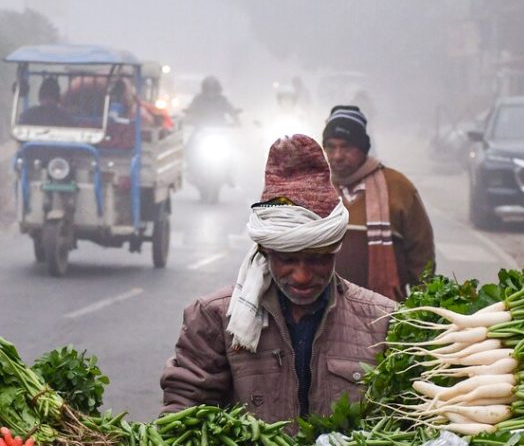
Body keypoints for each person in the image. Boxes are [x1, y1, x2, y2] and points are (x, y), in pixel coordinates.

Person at [161, 134, 395, 425]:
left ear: (335, 251)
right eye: (287, 260)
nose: (302, 276)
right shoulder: (215, 319)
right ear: (264, 251)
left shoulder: (380, 322)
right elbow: (184, 411)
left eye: (317, 259)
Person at [322, 105, 436, 300]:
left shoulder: (399, 188)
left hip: (384, 315)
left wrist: (421, 310)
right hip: (323, 316)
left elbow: (422, 258)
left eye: (346, 147)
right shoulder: (315, 188)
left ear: (363, 149)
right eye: (331, 147)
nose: (337, 156)